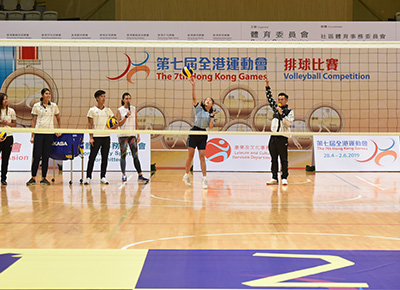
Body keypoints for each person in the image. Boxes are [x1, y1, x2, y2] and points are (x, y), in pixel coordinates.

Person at [183, 77, 215, 189]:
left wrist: (211, 117)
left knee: (202, 157)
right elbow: (194, 98)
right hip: (194, 131)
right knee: (190, 156)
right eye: (206, 99)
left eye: (210, 100)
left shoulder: (210, 114)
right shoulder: (199, 109)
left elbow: (210, 127)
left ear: (212, 104)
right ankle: (186, 175)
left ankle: (204, 179)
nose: (208, 101)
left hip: (203, 134)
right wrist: (193, 86)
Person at [26, 88, 61, 186]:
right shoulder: (36, 106)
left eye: (49, 93)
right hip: (39, 133)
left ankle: (44, 178)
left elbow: (58, 118)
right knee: (36, 156)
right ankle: (33, 178)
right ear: (42, 95)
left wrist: (58, 129)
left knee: (46, 156)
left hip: (49, 133)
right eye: (46, 93)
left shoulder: (53, 106)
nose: (48, 95)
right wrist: (32, 135)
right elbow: (33, 121)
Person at [265, 77, 294, 186]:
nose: (280, 101)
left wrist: (281, 114)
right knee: (273, 159)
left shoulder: (289, 111)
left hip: (282, 137)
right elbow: (269, 99)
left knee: (283, 159)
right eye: (279, 99)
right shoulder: (275, 108)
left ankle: (284, 177)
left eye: (282, 99)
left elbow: (289, 123)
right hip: (273, 137)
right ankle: (274, 178)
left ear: (286, 100)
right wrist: (267, 86)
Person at [84, 90, 117, 185]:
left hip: (106, 137)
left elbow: (114, 121)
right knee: (92, 157)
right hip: (96, 137)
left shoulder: (108, 110)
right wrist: (91, 137)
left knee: (105, 158)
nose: (103, 98)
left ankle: (103, 176)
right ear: (97, 98)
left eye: (104, 96)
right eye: (101, 96)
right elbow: (90, 125)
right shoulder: (92, 110)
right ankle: (88, 177)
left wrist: (114, 125)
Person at [116, 92, 149, 183]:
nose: (128, 100)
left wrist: (138, 134)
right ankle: (123, 175)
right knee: (123, 155)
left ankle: (140, 175)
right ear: (123, 100)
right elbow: (119, 124)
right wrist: (126, 116)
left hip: (132, 136)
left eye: (129, 98)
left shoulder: (134, 109)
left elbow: (136, 123)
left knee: (135, 156)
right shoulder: (120, 110)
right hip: (123, 136)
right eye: (126, 98)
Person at [0, 93, 16, 185]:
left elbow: (14, 124)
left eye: (7, 99)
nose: (6, 101)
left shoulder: (11, 111)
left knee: (5, 159)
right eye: (4, 99)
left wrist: (8, 124)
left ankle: (3, 178)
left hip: (8, 137)